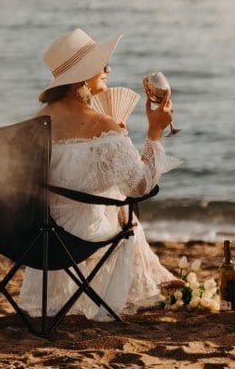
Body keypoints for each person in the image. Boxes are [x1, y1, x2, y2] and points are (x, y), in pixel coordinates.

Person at [18, 28, 181, 321]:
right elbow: (141, 186)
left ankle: (159, 279)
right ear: (81, 77)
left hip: (36, 236)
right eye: (100, 64)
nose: (108, 69)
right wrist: (155, 131)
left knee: (113, 198)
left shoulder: (33, 123)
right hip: (80, 240)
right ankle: (156, 282)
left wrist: (115, 141)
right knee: (125, 213)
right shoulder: (101, 126)